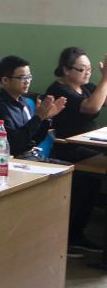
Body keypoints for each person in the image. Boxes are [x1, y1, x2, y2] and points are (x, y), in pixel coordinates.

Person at [44, 47, 107, 252]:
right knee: (95, 171)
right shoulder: (59, 90)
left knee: (95, 175)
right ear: (66, 70)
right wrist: (105, 78)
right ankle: (72, 237)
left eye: (90, 69)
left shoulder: (86, 87)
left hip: (88, 145)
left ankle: (77, 234)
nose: (87, 73)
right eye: (82, 69)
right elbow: (91, 107)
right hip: (67, 148)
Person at [0, 55, 66, 156]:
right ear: (5, 80)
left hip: (29, 156)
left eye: (29, 77)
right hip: (12, 160)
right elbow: (14, 146)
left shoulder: (24, 102)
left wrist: (45, 119)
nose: (27, 81)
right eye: (22, 78)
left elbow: (33, 141)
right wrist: (38, 117)